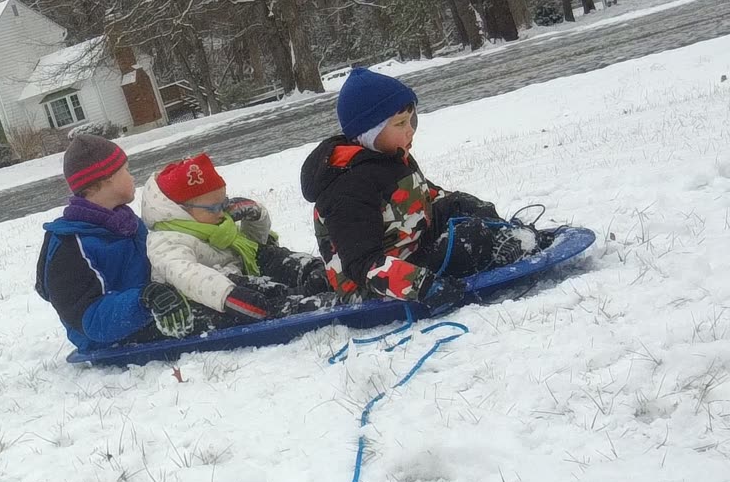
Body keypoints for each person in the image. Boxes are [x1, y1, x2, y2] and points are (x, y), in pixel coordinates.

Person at [299, 67, 560, 312]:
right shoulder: (348, 188)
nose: (410, 130)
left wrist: (467, 208)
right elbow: (362, 264)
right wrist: (423, 285)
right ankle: (498, 249)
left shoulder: (390, 157)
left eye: (411, 120)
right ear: (370, 133)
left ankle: (512, 237)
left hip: (408, 245)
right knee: (469, 238)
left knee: (464, 206)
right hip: (375, 284)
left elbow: (421, 196)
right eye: (400, 124)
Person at [35, 134, 196, 350]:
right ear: (106, 178)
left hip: (155, 308)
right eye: (126, 170)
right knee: (217, 312)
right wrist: (144, 300)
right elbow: (90, 319)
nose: (132, 177)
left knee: (214, 289)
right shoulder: (71, 246)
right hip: (113, 337)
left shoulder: (126, 222)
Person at [139, 153, 333, 325]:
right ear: (182, 210)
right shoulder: (165, 241)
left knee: (270, 256)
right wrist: (227, 293)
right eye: (214, 207)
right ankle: (298, 305)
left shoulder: (215, 223)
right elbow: (187, 275)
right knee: (254, 293)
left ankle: (320, 275)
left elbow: (254, 245)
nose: (222, 212)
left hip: (242, 276)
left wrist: (256, 215)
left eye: (224, 203)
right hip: (215, 296)